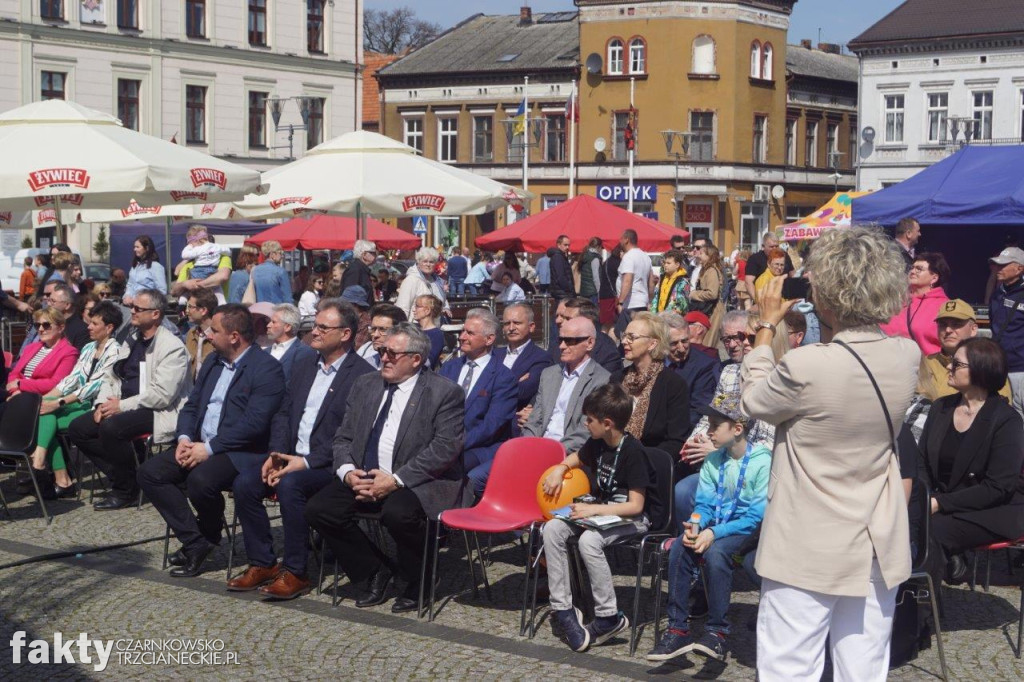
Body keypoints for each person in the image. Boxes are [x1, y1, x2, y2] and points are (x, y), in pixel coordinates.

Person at [740, 227, 919, 680]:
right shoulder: (906, 354)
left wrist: (765, 327)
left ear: (829, 296)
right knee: (863, 669)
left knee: (789, 666)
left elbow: (754, 400)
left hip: (808, 538)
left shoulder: (808, 365)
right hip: (876, 535)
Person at [304, 323, 467, 613]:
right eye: (381, 351)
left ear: (416, 359)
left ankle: (421, 579)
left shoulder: (444, 392)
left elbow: (445, 449)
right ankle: (373, 570)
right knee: (320, 508)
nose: (384, 358)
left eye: (392, 353)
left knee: (398, 514)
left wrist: (395, 480)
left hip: (417, 479)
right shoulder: (366, 384)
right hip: (365, 473)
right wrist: (347, 472)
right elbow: (343, 436)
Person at [228, 300, 375, 599]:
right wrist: (276, 454)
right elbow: (284, 412)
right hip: (290, 455)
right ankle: (263, 562)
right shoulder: (305, 363)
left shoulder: (361, 375)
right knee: (245, 482)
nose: (314, 332)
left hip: (328, 464)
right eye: (314, 325)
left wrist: (304, 463)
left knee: (291, 486)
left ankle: (296, 571)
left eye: (323, 327)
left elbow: (349, 435)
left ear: (345, 334)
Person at [139, 304, 286, 577]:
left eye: (214, 330)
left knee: (201, 479)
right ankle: (197, 542)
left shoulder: (266, 368)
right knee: (151, 473)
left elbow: (255, 424)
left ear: (234, 336)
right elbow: (192, 405)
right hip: (198, 443)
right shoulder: (213, 362)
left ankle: (208, 535)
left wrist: (208, 449)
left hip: (241, 451)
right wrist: (184, 438)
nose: (207, 335)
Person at [647, 392, 771, 663]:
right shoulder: (714, 461)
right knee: (681, 545)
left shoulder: (762, 461)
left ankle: (717, 632)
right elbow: (703, 505)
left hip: (748, 531)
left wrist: (713, 532)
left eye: (715, 426)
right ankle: (677, 627)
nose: (709, 432)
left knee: (716, 553)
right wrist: (695, 524)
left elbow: (755, 517)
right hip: (717, 525)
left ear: (737, 429)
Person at [540, 383, 655, 652]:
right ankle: (563, 608)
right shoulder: (597, 442)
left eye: (589, 419)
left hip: (633, 519)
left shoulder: (633, 452)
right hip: (602, 513)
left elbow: (636, 506)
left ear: (607, 423)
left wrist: (595, 510)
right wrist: (559, 468)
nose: (584, 423)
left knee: (589, 541)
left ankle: (608, 616)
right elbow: (577, 458)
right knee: (553, 528)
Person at [68, 289, 191, 510]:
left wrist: (120, 406)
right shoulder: (132, 338)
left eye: (137, 308)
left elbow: (162, 395)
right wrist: (101, 403)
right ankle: (129, 476)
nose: (131, 311)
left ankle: (125, 491)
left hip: (158, 409)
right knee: (78, 428)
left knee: (111, 427)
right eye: (132, 307)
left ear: (155, 314)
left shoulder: (172, 347)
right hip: (124, 403)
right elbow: (113, 375)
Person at [917, 337, 1024, 587]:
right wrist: (924, 497)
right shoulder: (941, 408)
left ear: (980, 370)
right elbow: (922, 461)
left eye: (956, 364)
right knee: (903, 525)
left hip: (995, 509)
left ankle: (919, 616)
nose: (948, 368)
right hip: (942, 501)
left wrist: (939, 503)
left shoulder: (1006, 420)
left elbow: (998, 487)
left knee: (930, 531)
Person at [27, 301, 123, 499]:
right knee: (43, 413)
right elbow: (72, 379)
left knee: (45, 418)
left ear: (109, 328)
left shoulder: (116, 351)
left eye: (94, 324)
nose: (88, 326)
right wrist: (47, 399)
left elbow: (94, 386)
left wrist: (59, 402)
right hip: (77, 403)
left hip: (97, 405)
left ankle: (48, 469)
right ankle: (57, 476)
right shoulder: (88, 347)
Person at [439, 309, 517, 495]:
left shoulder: (503, 376)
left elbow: (492, 425)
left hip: (480, 447)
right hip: (443, 442)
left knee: (447, 468)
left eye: (470, 333)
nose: (462, 337)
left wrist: (456, 444)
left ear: (489, 339)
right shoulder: (449, 368)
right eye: (462, 331)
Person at [522, 316, 611, 453]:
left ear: (589, 343)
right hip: (537, 448)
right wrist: (528, 446)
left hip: (569, 455)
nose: (562, 346)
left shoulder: (602, 380)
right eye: (560, 340)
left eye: (570, 341)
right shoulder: (549, 375)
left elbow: (585, 431)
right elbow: (535, 421)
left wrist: (551, 452)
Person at [613, 312, 689, 456]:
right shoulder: (617, 379)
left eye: (632, 337)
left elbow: (676, 440)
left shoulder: (673, 385)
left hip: (650, 462)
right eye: (624, 336)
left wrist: (638, 458)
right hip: (613, 458)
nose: (624, 342)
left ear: (652, 344)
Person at [918, 299, 1011, 402]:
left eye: (956, 324)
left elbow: (1000, 407)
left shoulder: (987, 364)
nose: (948, 330)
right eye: (943, 324)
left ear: (973, 329)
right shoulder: (925, 364)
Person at [660, 312, 720, 434]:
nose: (681, 348)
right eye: (674, 343)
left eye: (685, 341)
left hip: (678, 434)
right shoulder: (653, 359)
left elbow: (697, 412)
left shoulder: (704, 366)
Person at [880, 251, 951, 356]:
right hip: (891, 364)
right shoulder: (896, 301)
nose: (913, 271)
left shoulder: (944, 306)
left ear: (934, 278)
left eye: (919, 269)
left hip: (926, 369)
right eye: (912, 268)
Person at [493, 302, 553, 416]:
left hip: (515, 422)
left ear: (531, 327)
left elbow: (522, 392)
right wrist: (515, 381)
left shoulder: (541, 358)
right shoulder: (494, 355)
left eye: (517, 323)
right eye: (506, 324)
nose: (511, 328)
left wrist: (491, 383)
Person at [8, 308, 79, 401]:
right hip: (18, 395)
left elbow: (56, 383)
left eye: (46, 325)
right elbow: (14, 373)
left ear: (61, 328)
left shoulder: (69, 352)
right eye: (37, 325)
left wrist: (20, 384)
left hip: (42, 399)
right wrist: (15, 391)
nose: (41, 329)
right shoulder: (30, 348)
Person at [986, 246, 1024, 416]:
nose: (998, 269)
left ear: (1019, 268)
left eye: (1004, 265)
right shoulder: (998, 293)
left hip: (1020, 369)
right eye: (997, 265)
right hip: (999, 367)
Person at [547, 297, 622, 375]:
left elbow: (605, 383)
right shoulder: (558, 344)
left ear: (588, 321)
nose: (560, 321)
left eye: (568, 319)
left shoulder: (607, 352)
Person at [615, 229, 652, 338]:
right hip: (642, 303)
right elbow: (651, 283)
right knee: (639, 335)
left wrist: (620, 302)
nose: (619, 241)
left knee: (624, 335)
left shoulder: (629, 256)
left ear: (627, 239)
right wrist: (649, 300)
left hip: (630, 304)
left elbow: (627, 280)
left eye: (621, 239)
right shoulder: (645, 256)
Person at [263, 303, 315, 381]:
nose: (268, 325)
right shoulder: (264, 352)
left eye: (273, 322)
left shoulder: (304, 353)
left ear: (287, 327)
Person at [395, 247, 448, 320]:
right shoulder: (411, 280)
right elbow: (402, 308)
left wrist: (446, 308)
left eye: (431, 262)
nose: (428, 264)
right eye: (425, 261)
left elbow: (442, 300)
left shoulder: (436, 281)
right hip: (416, 327)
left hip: (434, 326)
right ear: (418, 262)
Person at [689, 244, 726, 349]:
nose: (698, 255)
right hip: (708, 310)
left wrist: (694, 294)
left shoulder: (711, 271)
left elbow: (712, 293)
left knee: (708, 344)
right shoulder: (706, 269)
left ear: (710, 256)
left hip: (713, 311)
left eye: (701, 253)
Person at [743, 233, 794, 301]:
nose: (774, 249)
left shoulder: (784, 256)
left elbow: (793, 275)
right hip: (765, 300)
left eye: (776, 246)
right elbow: (748, 282)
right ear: (763, 246)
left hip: (784, 299)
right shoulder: (755, 259)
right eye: (771, 247)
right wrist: (757, 301)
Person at [356, 303, 407, 369]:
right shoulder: (365, 361)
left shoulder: (407, 368)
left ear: (399, 332)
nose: (375, 335)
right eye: (373, 329)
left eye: (383, 330)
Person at [183, 290, 218, 381]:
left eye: (190, 307)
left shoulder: (219, 336)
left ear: (203, 311)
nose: (187, 311)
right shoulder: (191, 334)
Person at [45, 282, 90, 350]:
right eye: (49, 300)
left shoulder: (82, 331)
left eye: (53, 301)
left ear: (67, 305)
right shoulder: (47, 324)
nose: (49, 304)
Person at [650, 249, 689, 314]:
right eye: (665, 263)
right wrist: (654, 314)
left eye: (668, 263)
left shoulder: (683, 282)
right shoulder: (662, 278)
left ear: (677, 265)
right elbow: (656, 297)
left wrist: (666, 315)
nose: (665, 265)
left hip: (673, 319)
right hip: (658, 317)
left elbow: (681, 304)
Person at [411, 294, 444, 369]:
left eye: (417, 306)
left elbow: (427, 362)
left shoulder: (436, 334)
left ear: (427, 311)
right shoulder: (412, 329)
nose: (414, 310)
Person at [598, 245, 622, 335]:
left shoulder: (607, 262)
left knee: (606, 324)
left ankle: (602, 341)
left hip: (604, 295)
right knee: (613, 324)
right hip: (612, 296)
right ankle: (611, 344)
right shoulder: (618, 263)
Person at [550, 236, 575, 301]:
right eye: (565, 245)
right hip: (562, 293)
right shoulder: (558, 257)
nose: (567, 247)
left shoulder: (561, 256)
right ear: (558, 245)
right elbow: (560, 276)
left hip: (562, 292)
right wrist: (568, 289)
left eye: (568, 245)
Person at [578, 237, 602, 304]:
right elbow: (596, 277)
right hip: (592, 292)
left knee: (585, 312)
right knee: (593, 313)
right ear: (598, 247)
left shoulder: (584, 255)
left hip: (584, 291)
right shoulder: (595, 258)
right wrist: (599, 291)